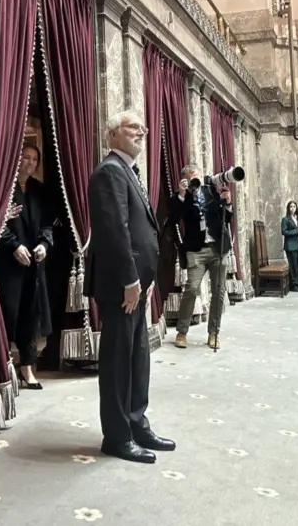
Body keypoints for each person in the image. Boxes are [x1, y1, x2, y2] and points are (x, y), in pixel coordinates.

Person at [85, 110, 174, 464]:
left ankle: (137, 423)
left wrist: (144, 279)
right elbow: (114, 230)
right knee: (119, 360)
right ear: (112, 135)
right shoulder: (109, 171)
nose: (143, 131)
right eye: (133, 127)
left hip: (136, 285)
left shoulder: (128, 171)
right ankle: (118, 436)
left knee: (138, 358)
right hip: (122, 285)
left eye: (143, 127)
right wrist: (130, 279)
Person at [0, 145, 53, 389]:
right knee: (9, 313)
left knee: (31, 314)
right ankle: (4, 365)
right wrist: (13, 245)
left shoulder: (40, 190)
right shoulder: (3, 187)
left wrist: (44, 246)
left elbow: (47, 226)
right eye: (25, 157)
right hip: (8, 261)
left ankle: (27, 367)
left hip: (34, 263)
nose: (29, 162)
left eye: (34, 159)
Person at [166, 164, 233, 350]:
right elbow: (173, 219)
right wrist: (181, 194)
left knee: (219, 292)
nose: (196, 182)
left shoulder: (211, 191)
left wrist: (227, 203)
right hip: (196, 250)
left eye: (197, 177)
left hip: (218, 248)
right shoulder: (182, 198)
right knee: (191, 288)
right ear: (185, 181)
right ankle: (182, 331)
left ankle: (214, 333)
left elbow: (225, 219)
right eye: (191, 179)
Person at [281, 201, 298, 292]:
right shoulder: (285, 219)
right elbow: (284, 232)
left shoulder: (297, 218)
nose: (292, 208)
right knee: (293, 265)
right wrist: (297, 230)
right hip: (290, 246)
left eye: (294, 206)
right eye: (291, 206)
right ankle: (293, 285)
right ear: (288, 208)